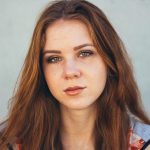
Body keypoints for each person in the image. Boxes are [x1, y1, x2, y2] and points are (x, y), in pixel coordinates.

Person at [0, 0, 150, 149]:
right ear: (40, 70)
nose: (70, 72)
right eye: (54, 58)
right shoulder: (9, 144)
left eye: (85, 53)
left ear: (109, 61)